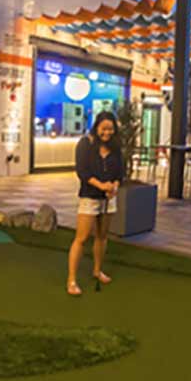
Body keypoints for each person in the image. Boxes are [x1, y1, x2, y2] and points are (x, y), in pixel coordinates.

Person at [66, 111, 123, 296]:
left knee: (102, 236)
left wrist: (113, 186)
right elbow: (82, 171)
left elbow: (120, 173)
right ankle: (71, 279)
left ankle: (97, 270)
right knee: (81, 238)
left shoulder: (115, 147)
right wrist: (101, 185)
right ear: (97, 127)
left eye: (111, 129)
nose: (107, 133)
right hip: (90, 196)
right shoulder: (86, 144)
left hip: (108, 198)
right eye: (104, 128)